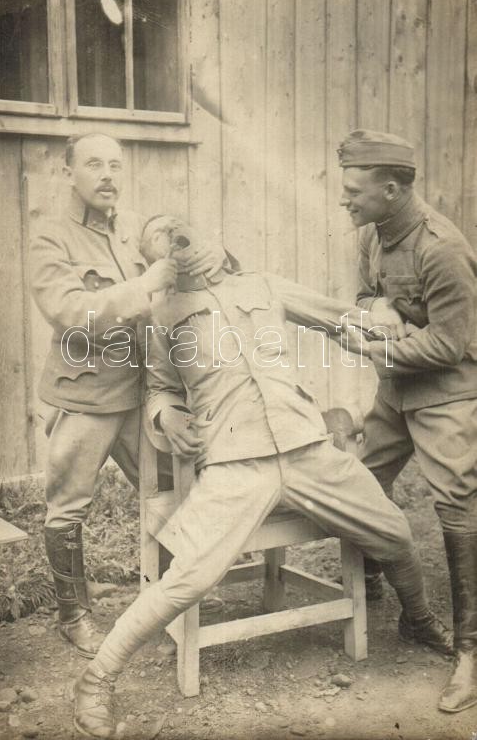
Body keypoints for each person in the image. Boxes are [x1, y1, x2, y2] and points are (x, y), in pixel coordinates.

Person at [71, 214, 451, 739]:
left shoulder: (264, 286)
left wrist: (390, 323)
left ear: (215, 238)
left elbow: (341, 317)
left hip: (308, 449)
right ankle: (96, 679)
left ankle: (418, 620)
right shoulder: (160, 316)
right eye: (161, 236)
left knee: (395, 531)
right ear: (153, 260)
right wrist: (168, 415)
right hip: (236, 461)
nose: (178, 239)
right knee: (190, 576)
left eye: (184, 228)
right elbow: (158, 388)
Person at [29, 134, 226, 658]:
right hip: (88, 394)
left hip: (143, 393)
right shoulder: (51, 237)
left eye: (115, 165)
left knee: (167, 491)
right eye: (94, 164)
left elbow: (182, 257)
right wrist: (145, 287)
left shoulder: (131, 228)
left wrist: (207, 250)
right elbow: (69, 311)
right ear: (68, 172)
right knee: (68, 506)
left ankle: (167, 599)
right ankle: (73, 616)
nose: (107, 175)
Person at [337, 129, 477, 713]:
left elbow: (449, 344)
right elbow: (363, 295)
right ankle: (380, 596)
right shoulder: (372, 232)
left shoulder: (443, 248)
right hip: (396, 391)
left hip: (446, 391)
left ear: (391, 190)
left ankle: (469, 652)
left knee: (456, 503)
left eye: (354, 192)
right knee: (361, 481)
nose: (344, 200)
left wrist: (374, 347)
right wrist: (378, 307)